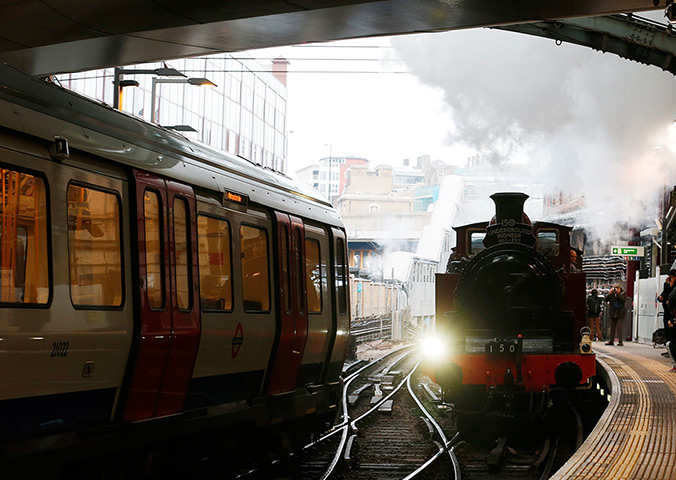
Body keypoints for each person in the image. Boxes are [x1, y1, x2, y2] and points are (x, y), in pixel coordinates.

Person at [658, 270, 676, 357]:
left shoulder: (674, 287)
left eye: (671, 277)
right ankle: (669, 350)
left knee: (672, 331)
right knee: (667, 330)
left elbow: (671, 296)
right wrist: (660, 298)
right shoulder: (667, 286)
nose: (669, 279)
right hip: (667, 311)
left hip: (673, 313)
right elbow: (664, 294)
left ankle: (672, 350)